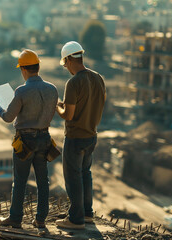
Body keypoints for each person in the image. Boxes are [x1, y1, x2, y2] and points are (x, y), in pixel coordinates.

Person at [0, 49, 58, 229]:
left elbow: (8, 117)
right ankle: (41, 219)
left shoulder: (21, 91)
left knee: (20, 181)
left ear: (23, 70)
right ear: (38, 67)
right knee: (43, 181)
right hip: (45, 138)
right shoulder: (52, 89)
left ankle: (15, 218)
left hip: (25, 140)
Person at [56, 41, 106, 229]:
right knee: (86, 174)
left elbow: (68, 115)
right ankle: (87, 214)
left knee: (73, 177)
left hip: (75, 137)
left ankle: (75, 219)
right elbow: (93, 104)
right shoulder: (98, 78)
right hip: (91, 135)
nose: (66, 67)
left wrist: (57, 108)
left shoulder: (74, 82)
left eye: (65, 63)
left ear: (69, 59)